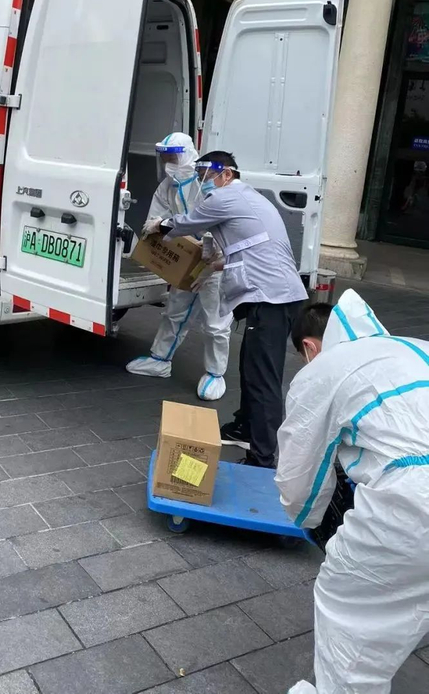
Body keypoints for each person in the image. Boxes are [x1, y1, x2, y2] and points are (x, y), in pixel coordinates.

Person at [278, 289, 429, 694]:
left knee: (348, 606)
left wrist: (311, 522)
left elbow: (299, 477)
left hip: (414, 501)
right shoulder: (413, 347)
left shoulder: (325, 369)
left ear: (310, 348)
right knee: (413, 595)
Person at [144, 149, 307, 467]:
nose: (202, 181)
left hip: (271, 298)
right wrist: (213, 266)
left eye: (206, 175)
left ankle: (262, 457)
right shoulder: (246, 198)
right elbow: (242, 245)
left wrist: (159, 225)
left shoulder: (227, 196)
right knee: (250, 367)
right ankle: (244, 426)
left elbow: (188, 222)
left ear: (227, 174)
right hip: (273, 296)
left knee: (263, 379)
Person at [126, 133, 232, 400]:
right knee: (175, 311)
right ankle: (160, 359)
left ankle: (215, 373)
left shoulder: (206, 181)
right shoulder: (167, 186)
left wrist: (213, 260)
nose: (169, 162)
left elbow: (222, 223)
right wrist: (156, 228)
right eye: (165, 157)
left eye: (173, 156)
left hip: (214, 262)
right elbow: (156, 218)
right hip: (187, 261)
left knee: (216, 322)